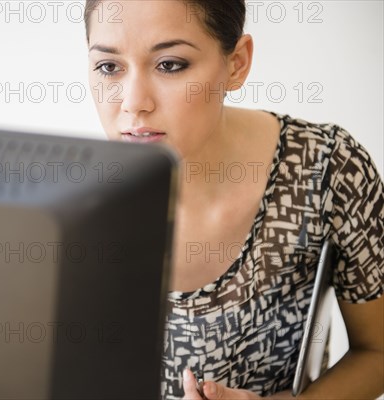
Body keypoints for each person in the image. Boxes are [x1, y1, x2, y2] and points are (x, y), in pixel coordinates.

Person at [84, 1, 384, 399]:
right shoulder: (67, 202)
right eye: (109, 67)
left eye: (170, 64)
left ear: (237, 63)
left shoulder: (325, 169)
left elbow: (377, 351)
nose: (133, 102)